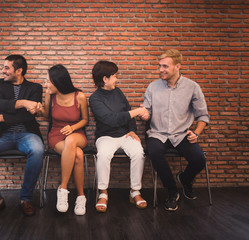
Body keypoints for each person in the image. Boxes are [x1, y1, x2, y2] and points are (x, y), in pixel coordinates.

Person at [0, 55, 45, 218]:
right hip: (2, 134)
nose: (3, 71)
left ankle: (25, 199)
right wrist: (24, 103)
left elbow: (29, 117)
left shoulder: (35, 88)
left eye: (6, 68)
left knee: (38, 150)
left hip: (27, 134)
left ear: (18, 71)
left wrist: (1, 117)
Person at [142, 49, 210, 211]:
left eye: (165, 66)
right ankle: (172, 190)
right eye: (160, 66)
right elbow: (146, 110)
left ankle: (185, 179)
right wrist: (144, 114)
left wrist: (197, 133)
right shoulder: (152, 87)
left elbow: (203, 116)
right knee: (154, 152)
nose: (161, 70)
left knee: (199, 159)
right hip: (158, 133)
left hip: (182, 134)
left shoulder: (192, 87)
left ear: (177, 66)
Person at [89, 60, 149, 213]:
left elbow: (126, 113)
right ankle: (103, 192)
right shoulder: (95, 99)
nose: (116, 79)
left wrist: (132, 130)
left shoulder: (118, 92)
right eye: (114, 76)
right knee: (103, 154)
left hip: (125, 134)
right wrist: (137, 112)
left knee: (138, 152)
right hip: (106, 137)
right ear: (105, 79)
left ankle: (135, 191)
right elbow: (111, 119)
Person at [37, 64, 89, 215]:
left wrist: (72, 128)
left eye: (48, 81)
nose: (46, 84)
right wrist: (40, 110)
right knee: (78, 155)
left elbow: (85, 120)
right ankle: (81, 197)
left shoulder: (79, 96)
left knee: (71, 141)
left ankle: (63, 188)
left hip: (77, 134)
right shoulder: (49, 95)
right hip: (56, 135)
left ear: (58, 82)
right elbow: (47, 116)